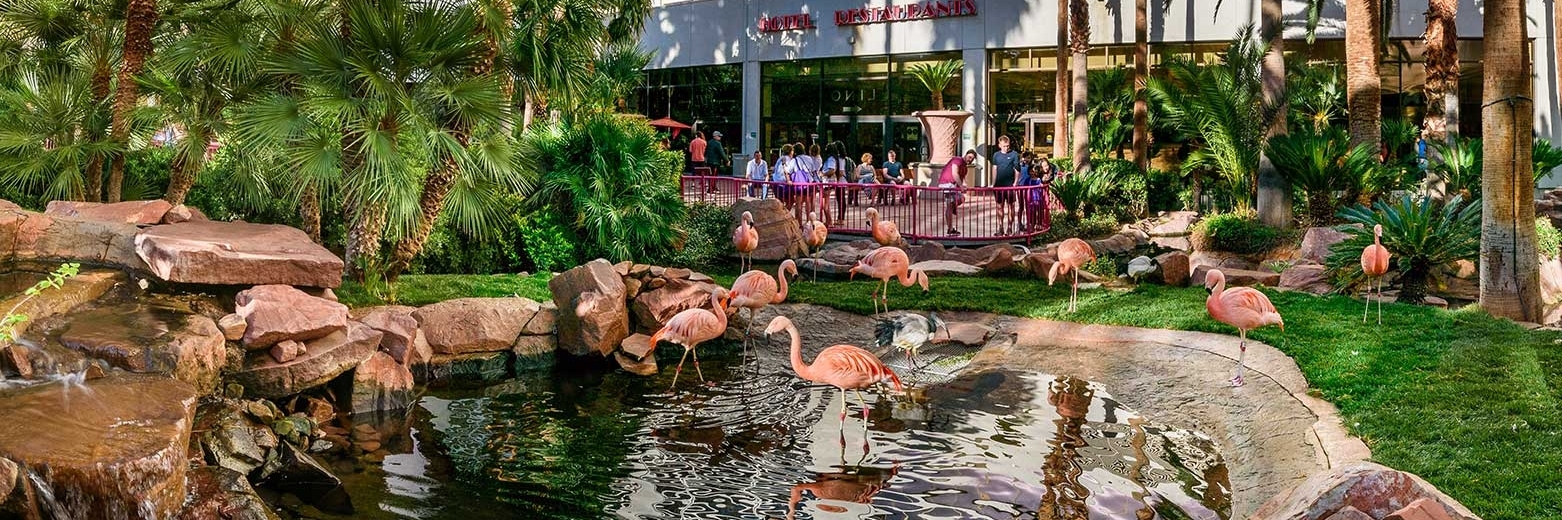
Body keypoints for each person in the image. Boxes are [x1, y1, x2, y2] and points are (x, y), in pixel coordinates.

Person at [939, 150, 978, 236]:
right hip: (947, 184)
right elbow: (955, 173)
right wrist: (961, 186)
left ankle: (953, 209)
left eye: (972, 159)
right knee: (950, 205)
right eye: (969, 157)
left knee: (960, 199)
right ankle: (950, 228)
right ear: (965, 155)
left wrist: (964, 185)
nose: (970, 160)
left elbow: (962, 178)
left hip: (953, 186)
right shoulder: (957, 160)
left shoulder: (965, 168)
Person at [990, 135, 1021, 235]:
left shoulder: (1014, 154)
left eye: (1007, 146)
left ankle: (1010, 227)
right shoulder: (996, 155)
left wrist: (1015, 182)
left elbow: (1017, 169)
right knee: (999, 206)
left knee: (1011, 206)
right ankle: (1000, 227)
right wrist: (993, 183)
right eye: (1004, 146)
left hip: (1010, 185)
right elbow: (994, 169)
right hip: (999, 185)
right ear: (999, 145)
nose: (1006, 148)